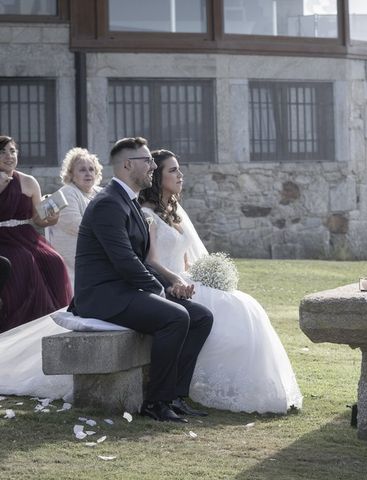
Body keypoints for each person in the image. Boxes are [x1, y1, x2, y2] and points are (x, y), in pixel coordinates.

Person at [139, 149, 302, 414]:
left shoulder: (174, 210)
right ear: (157, 176)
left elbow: (188, 257)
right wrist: (179, 279)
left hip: (189, 278)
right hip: (168, 283)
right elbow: (151, 260)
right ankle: (187, 391)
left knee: (246, 306)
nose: (180, 175)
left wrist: (207, 275)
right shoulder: (148, 214)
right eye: (172, 170)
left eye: (179, 169)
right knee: (228, 312)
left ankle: (248, 387)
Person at [69, 137, 213, 423]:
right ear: (127, 165)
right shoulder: (109, 203)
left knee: (201, 317)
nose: (152, 166)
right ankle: (155, 402)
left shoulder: (129, 201)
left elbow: (144, 258)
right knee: (175, 317)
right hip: (103, 296)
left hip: (127, 289)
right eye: (147, 161)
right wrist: (162, 290)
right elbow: (125, 261)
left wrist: (170, 284)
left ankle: (174, 396)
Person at [0, 135, 72, 332]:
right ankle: (20, 322)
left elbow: (38, 219)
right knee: (23, 260)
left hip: (26, 234)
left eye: (12, 151)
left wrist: (54, 215)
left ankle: (55, 319)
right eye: (2, 151)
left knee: (54, 260)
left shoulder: (28, 181)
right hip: (2, 238)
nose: (9, 156)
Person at [46, 148, 103, 286]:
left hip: (96, 255)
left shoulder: (101, 192)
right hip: (73, 260)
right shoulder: (66, 193)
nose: (88, 173)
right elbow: (77, 225)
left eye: (91, 169)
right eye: (82, 170)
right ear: (71, 174)